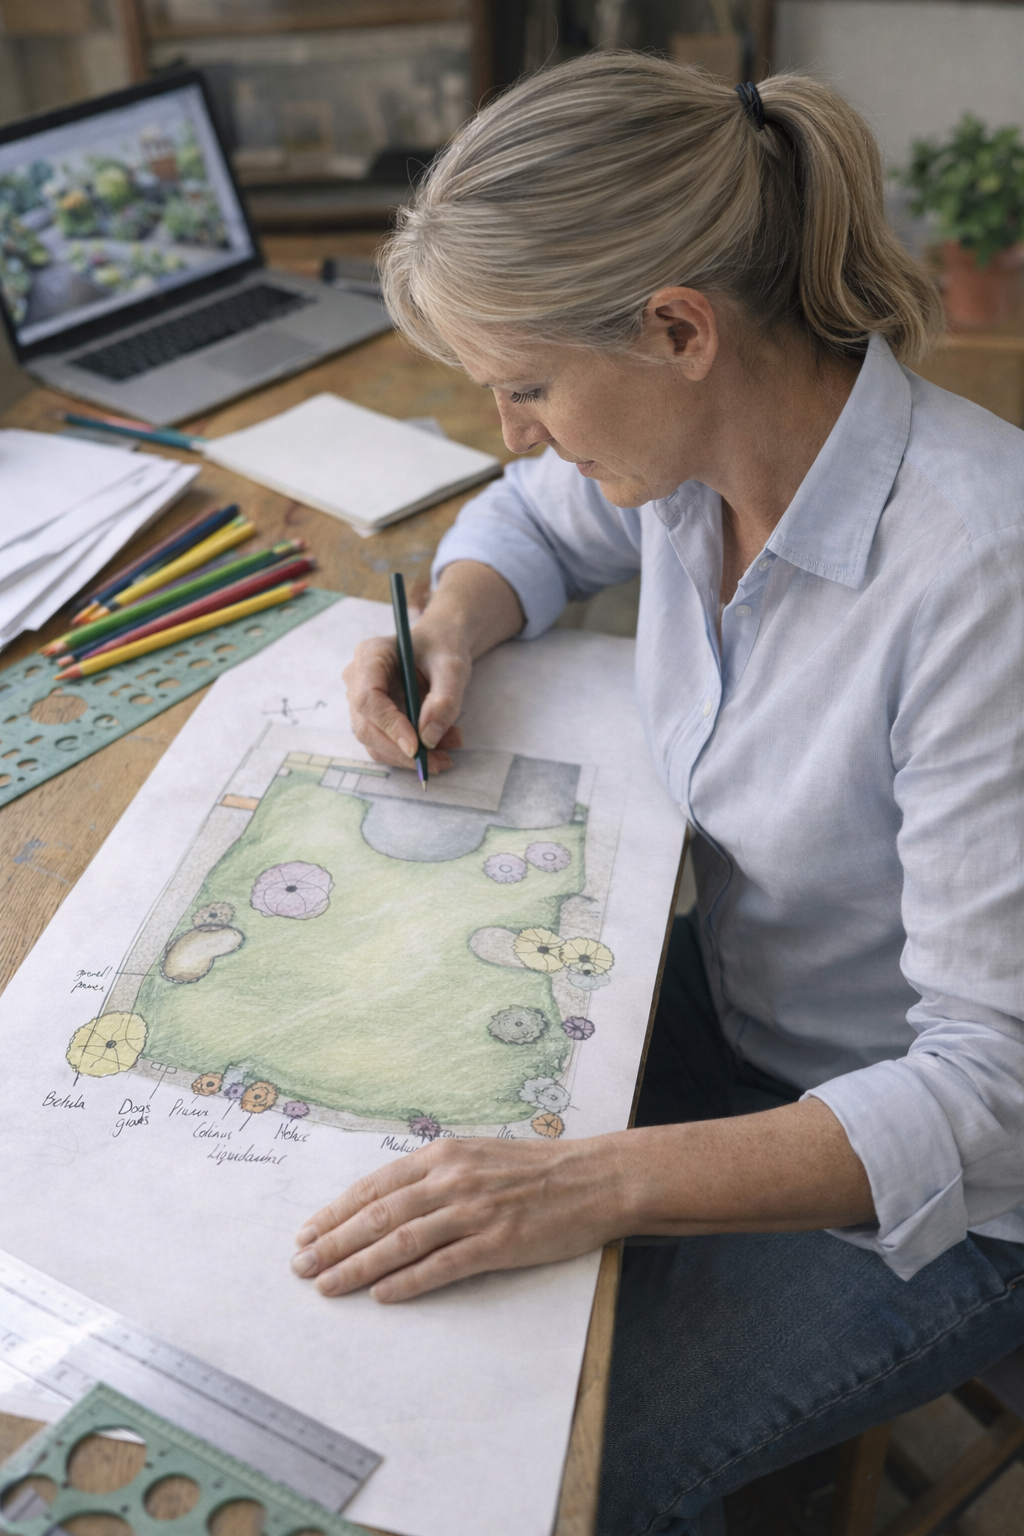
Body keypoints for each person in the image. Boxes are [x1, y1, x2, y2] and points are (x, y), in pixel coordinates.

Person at [289, 54, 1024, 1534]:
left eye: (527, 388)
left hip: (954, 1191)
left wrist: (588, 1187)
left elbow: (991, 1093)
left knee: (543, 1469)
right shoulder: (695, 456)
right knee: (371, 1158)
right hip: (754, 1017)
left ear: (677, 328)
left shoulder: (981, 583)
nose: (515, 430)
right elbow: (523, 522)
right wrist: (452, 625)